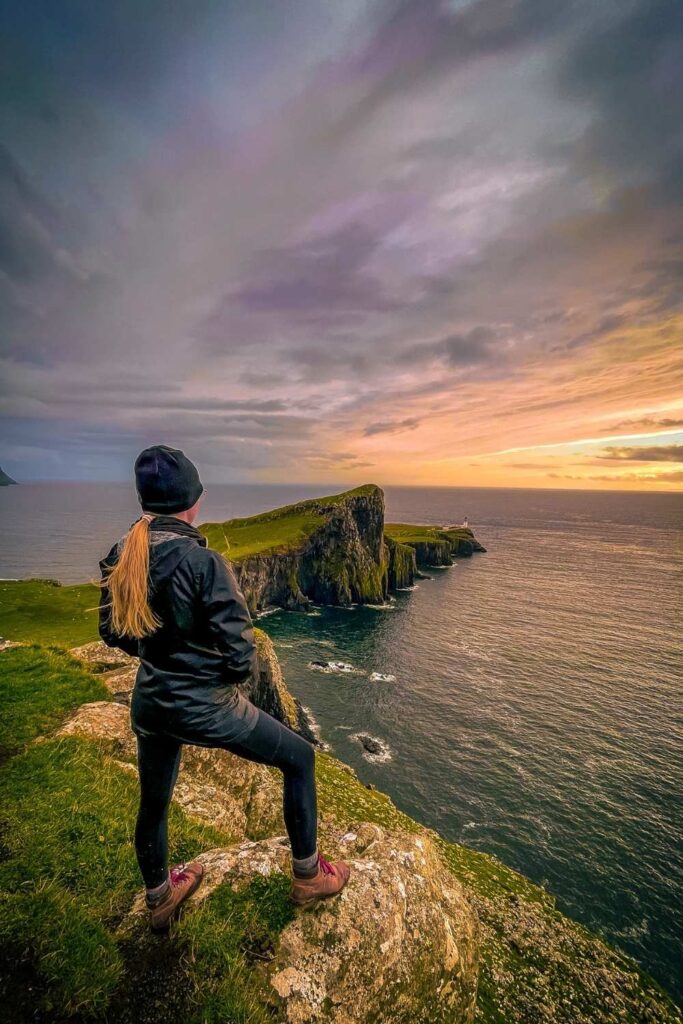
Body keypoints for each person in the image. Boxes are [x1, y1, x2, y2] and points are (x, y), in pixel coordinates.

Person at [97, 444, 350, 931]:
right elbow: (240, 654)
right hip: (206, 706)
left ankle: (159, 897)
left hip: (151, 703)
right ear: (192, 501)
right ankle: (307, 875)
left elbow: (112, 633)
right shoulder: (203, 562)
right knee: (300, 757)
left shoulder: (122, 552)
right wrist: (210, 683)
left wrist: (160, 662)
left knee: (153, 803)